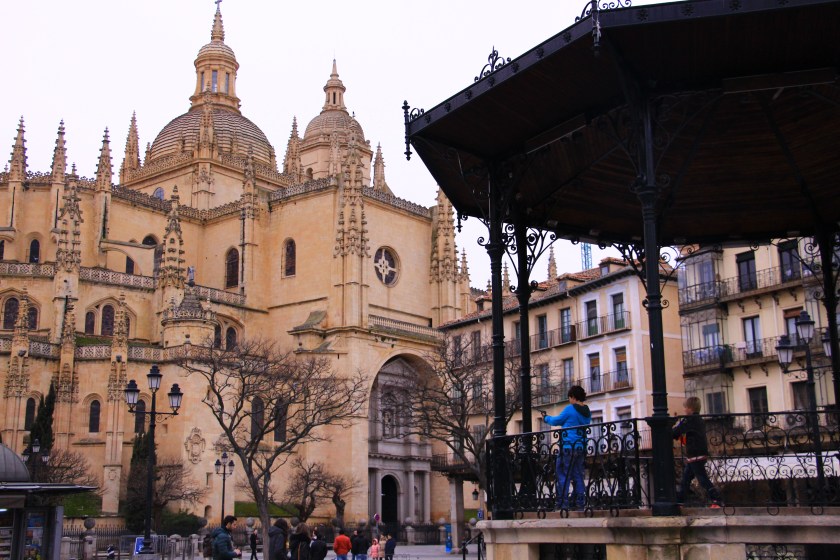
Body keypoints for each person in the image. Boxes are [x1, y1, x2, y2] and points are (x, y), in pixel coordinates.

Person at [543, 385, 592, 511]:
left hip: (568, 446)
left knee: (563, 474)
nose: (569, 400)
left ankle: (563, 504)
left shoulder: (570, 409)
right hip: (581, 446)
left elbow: (556, 421)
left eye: (569, 398)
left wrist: (546, 418)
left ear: (573, 397)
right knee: (578, 475)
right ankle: (580, 503)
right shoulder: (587, 412)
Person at [673, 396, 722, 508]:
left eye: (685, 407)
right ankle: (680, 501)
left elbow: (677, 431)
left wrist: (671, 431)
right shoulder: (698, 420)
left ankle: (717, 499)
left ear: (690, 408)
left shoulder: (691, 420)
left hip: (695, 454)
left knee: (702, 479)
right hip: (697, 454)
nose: (684, 410)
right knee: (686, 479)